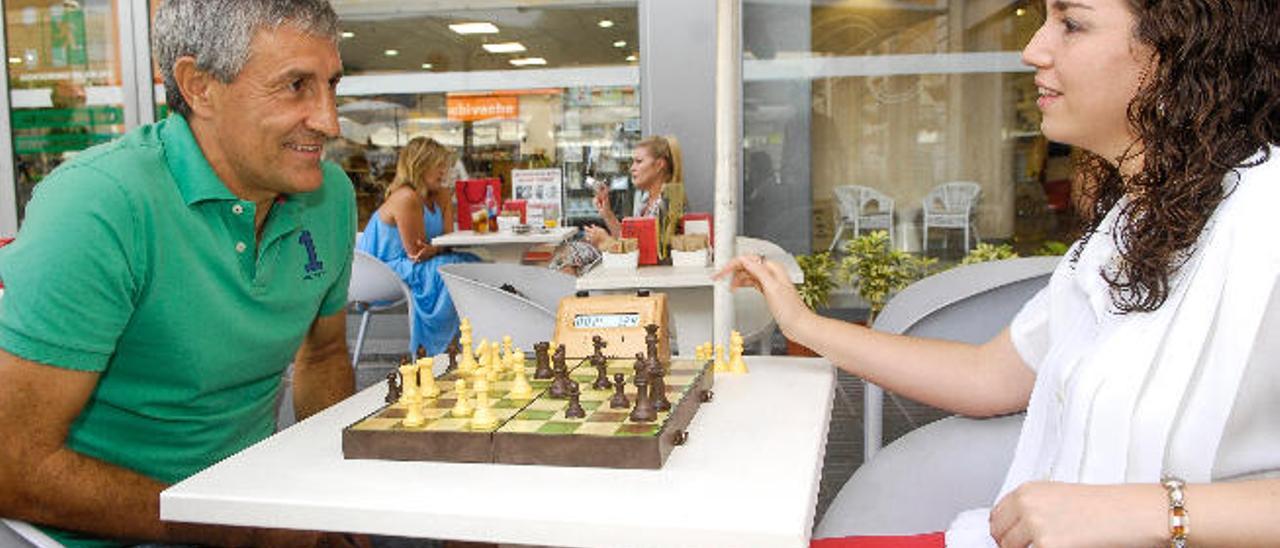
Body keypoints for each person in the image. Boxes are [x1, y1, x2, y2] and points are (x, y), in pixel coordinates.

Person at [720, 1, 1280, 546]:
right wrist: (804, 324)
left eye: (1072, 23)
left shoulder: (1266, 212)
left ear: (1182, 48)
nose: (1033, 49)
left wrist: (1158, 511)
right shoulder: (1128, 223)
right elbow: (987, 377)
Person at [0, 1, 367, 546]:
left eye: (331, 84)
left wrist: (340, 511)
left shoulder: (328, 195)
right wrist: (241, 528)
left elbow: (324, 354)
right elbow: (12, 467)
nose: (329, 120)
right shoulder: (100, 205)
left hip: (243, 512)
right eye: (295, 86)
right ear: (198, 86)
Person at [357, 136, 481, 356]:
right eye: (439, 166)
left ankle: (467, 343)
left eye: (446, 165)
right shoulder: (405, 197)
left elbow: (447, 241)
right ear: (420, 165)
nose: (445, 171)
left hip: (415, 263)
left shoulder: (439, 194)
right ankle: (436, 352)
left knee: (472, 264)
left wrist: (444, 204)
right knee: (451, 270)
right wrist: (437, 249)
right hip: (384, 271)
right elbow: (417, 253)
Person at [584, 134, 685, 248]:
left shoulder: (669, 201)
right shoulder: (645, 200)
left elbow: (650, 253)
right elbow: (632, 241)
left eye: (639, 161)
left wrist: (606, 241)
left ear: (659, 165)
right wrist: (607, 214)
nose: (632, 168)